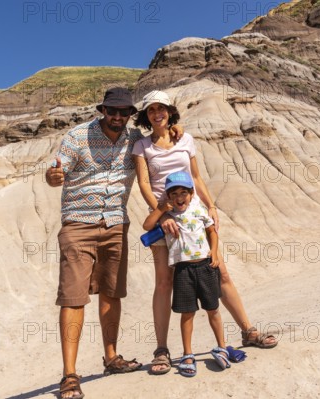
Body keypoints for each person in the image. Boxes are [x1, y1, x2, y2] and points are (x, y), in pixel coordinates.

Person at [45, 87, 183, 399]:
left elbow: (160, 139)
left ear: (130, 115)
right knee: (73, 298)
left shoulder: (134, 139)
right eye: (112, 111)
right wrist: (52, 176)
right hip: (78, 225)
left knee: (112, 293)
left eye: (124, 112)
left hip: (115, 226)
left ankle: (111, 357)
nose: (117, 117)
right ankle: (69, 375)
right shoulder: (78, 136)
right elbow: (57, 170)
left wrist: (175, 127)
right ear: (103, 110)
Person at [132, 90, 277, 375]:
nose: (157, 113)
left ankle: (248, 331)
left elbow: (196, 177)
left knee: (219, 270)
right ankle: (162, 350)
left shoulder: (185, 139)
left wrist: (210, 206)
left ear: (170, 112)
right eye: (151, 110)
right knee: (165, 281)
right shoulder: (142, 146)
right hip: (166, 219)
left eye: (162, 108)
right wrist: (161, 217)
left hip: (194, 214)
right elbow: (145, 184)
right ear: (146, 116)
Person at [143, 171, 231, 377]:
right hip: (182, 270)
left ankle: (222, 347)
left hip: (205, 266)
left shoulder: (199, 208)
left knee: (213, 309)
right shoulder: (168, 215)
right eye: (174, 194)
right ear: (168, 197)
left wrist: (215, 253)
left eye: (184, 192)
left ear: (191, 194)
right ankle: (187, 354)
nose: (179, 197)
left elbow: (212, 231)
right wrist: (161, 209)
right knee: (187, 313)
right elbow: (147, 225)